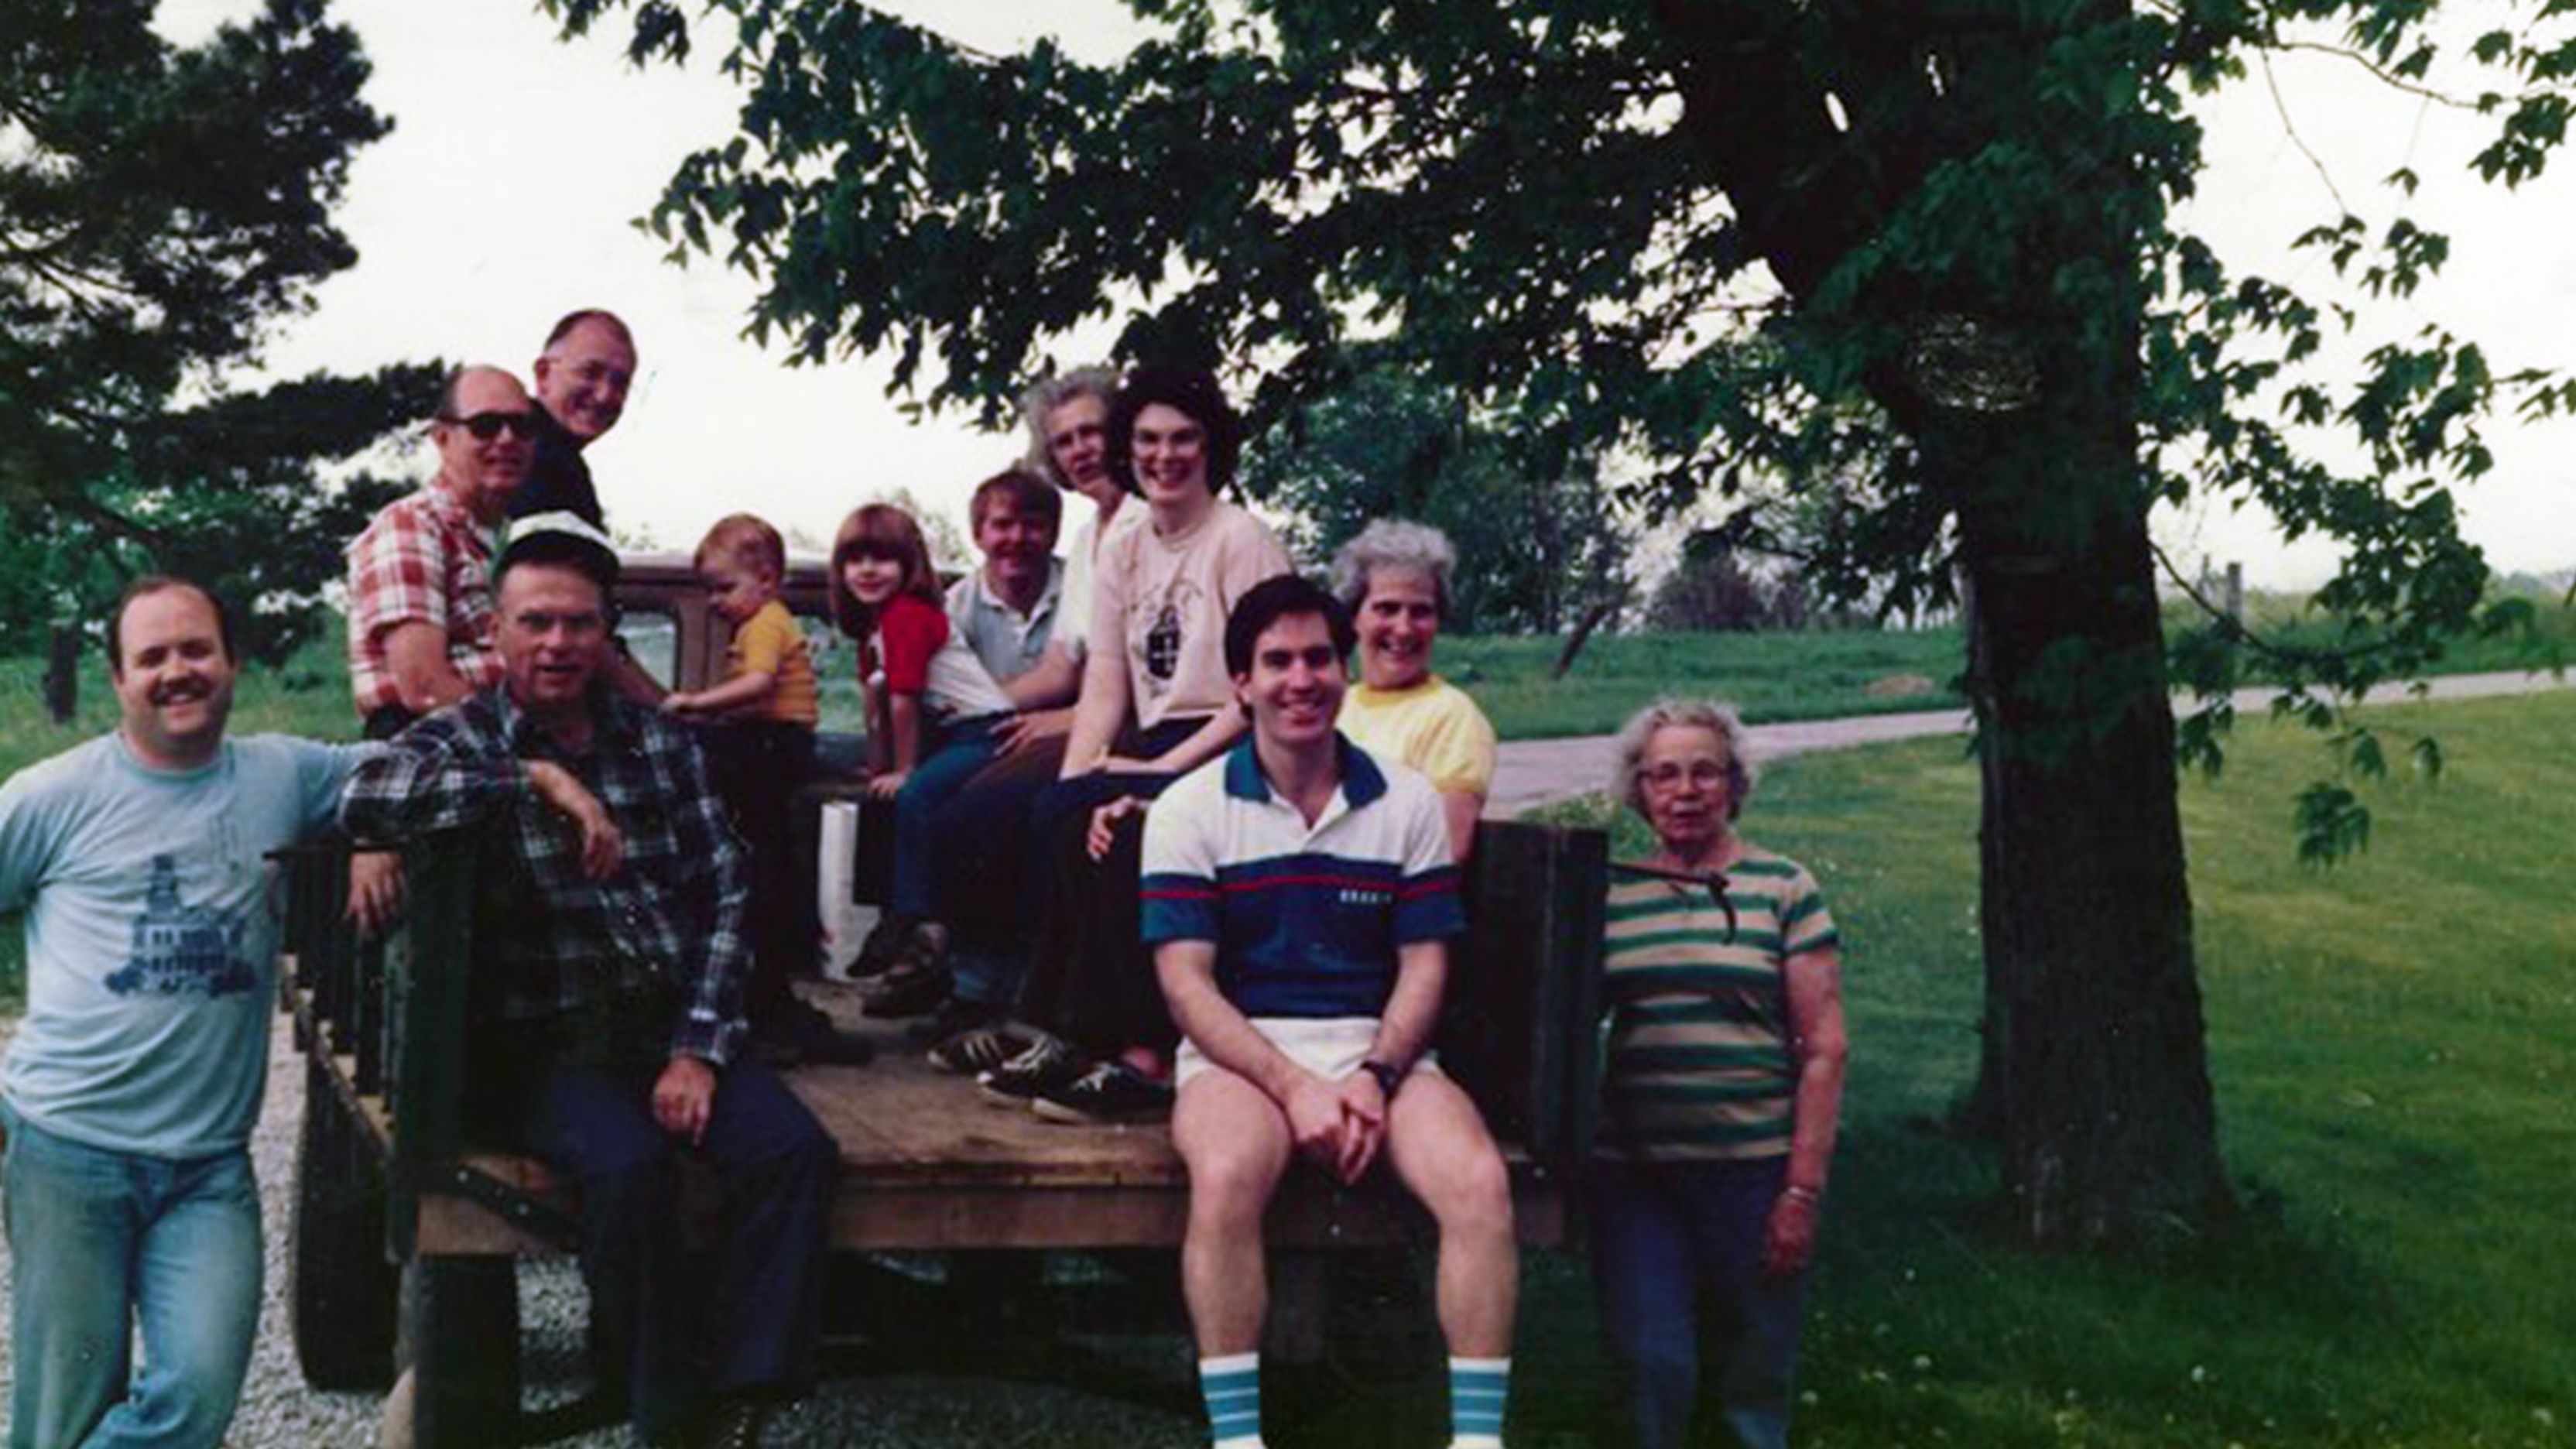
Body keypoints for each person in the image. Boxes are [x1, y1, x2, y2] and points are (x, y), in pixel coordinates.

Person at [341, 522, 834, 1449]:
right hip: (545, 1042)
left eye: (578, 624)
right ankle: (668, 1414)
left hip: (666, 1024)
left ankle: (742, 1393)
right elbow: (361, 794)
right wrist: (533, 781)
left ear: (607, 633)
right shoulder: (463, 738)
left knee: (792, 1154)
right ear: (497, 631)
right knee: (629, 1171)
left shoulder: (659, 743)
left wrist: (696, 1049)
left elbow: (726, 891)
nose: (558, 644)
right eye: (535, 622)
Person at [0, 577, 392, 1449]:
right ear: (118, 680)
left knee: (198, 1392)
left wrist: (376, 831)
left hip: (207, 1172)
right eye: (152, 657)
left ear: (231, 662)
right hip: (69, 1154)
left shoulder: (281, 774)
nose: (177, 671)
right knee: (62, 1413)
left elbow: (405, 770)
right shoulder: (49, 797)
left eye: (195, 649)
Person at [1144, 574, 1517, 1449]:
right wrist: (1294, 1087)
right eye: (1276, 662)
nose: (1300, 680)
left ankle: (1478, 1442)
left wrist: (1376, 1074)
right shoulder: (1187, 808)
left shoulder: (1407, 800)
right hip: (1241, 1057)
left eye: (1318, 658)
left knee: (1479, 1183)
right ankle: (1239, 1440)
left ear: (1343, 671)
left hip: (1381, 1054)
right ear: (1241, 683)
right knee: (1227, 1174)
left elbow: (1425, 963)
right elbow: (1187, 987)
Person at [977, 366, 1294, 1125]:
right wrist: (1081, 777)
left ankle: (1148, 1055)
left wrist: (1155, 775)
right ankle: (1068, 1033)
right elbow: (1108, 679)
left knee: (1126, 832)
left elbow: (1263, 689)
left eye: (1183, 439)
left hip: (1237, 744)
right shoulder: (1124, 546)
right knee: (1061, 815)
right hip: (1155, 741)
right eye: (1148, 440)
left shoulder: (1240, 540)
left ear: (1210, 446)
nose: (1164, 456)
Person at [1593, 701, 1848, 1449]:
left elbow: (1825, 1049)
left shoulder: (1784, 888)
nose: (1685, 791)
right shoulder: (1609, 894)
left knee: (1750, 1385)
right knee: (1654, 1365)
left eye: (1705, 773)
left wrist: (1801, 1191)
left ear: (1734, 785)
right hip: (1637, 1177)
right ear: (1639, 790)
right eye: (1664, 775)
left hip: (1753, 1173)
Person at [663, 512, 865, 1066]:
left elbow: (757, 684)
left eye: (724, 588)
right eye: (710, 590)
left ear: (769, 581)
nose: (715, 602)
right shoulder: (763, 622)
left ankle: (766, 1009)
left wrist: (694, 703)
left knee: (762, 861)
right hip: (768, 740)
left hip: (774, 743)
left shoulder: (766, 624)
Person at [827, 501, 1017, 1016]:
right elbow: (877, 711)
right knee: (880, 799)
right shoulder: (874, 631)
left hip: (984, 733)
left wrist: (905, 770)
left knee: (915, 796)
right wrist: (878, 771)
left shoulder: (908, 617)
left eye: (883, 559)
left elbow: (904, 702)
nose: (868, 570)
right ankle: (888, 921)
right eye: (856, 560)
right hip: (951, 736)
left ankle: (911, 918)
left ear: (909, 565)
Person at [344, 365, 536, 737]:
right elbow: (425, 689)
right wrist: (538, 744)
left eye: (522, 426)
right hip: (429, 744)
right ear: (443, 438)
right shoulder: (411, 526)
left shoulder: (504, 540)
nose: (507, 439)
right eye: (485, 426)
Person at [1329, 519, 1498, 865]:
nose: (1404, 628)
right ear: (1354, 616)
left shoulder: (1451, 717)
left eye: (1421, 612)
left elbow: (1443, 854)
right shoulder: (1331, 706)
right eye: (1387, 609)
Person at [511, 308, 639, 529]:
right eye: (590, 373)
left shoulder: (561, 456)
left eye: (620, 384)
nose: (604, 395)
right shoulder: (524, 454)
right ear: (543, 374)